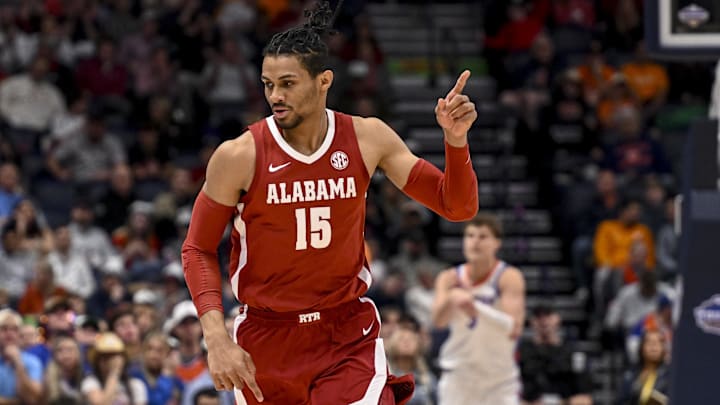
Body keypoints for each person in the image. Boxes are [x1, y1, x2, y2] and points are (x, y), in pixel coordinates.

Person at [181, 1, 479, 403]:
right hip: (266, 337)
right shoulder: (239, 155)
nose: (275, 96)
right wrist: (215, 335)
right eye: (268, 85)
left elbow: (456, 206)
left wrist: (456, 142)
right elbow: (197, 247)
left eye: (288, 83)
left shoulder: (367, 137)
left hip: (345, 331)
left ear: (323, 81)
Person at [431, 214, 525, 405]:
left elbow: (513, 328)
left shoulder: (508, 276)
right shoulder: (449, 278)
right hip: (459, 374)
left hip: (499, 378)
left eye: (483, 237)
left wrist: (474, 306)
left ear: (497, 243)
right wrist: (451, 298)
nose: (475, 242)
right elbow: (438, 321)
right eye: (470, 236)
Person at [518, 305, 593, 405]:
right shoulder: (522, 353)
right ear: (532, 321)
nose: (543, 321)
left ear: (557, 319)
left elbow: (585, 398)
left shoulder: (573, 354)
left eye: (548, 316)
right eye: (538, 317)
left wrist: (558, 403)